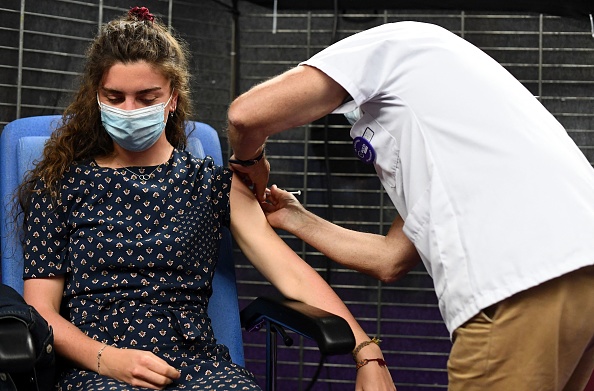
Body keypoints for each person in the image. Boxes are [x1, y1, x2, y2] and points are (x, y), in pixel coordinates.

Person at [17, 7, 395, 391]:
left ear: (173, 99)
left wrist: (367, 353)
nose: (128, 110)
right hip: (96, 368)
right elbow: (41, 310)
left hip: (198, 368)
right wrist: (106, 359)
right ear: (96, 97)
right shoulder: (62, 185)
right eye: (114, 97)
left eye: (146, 97)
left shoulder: (214, 185)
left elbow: (292, 274)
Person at [226, 21, 594, 391]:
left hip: (519, 277)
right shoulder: (455, 123)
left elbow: (247, 114)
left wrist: (250, 161)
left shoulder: (384, 45)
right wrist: (295, 217)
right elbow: (391, 258)